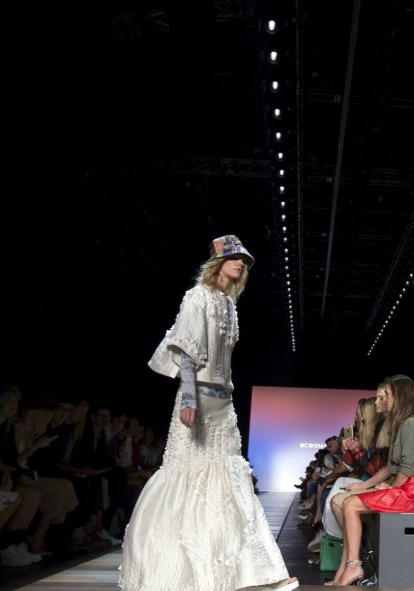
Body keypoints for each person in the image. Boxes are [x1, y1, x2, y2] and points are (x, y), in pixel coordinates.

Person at [119, 235, 297, 591]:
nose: (242, 264)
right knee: (190, 479)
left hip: (224, 405)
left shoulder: (230, 305)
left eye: (245, 260)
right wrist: (187, 397)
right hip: (198, 399)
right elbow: (186, 349)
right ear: (219, 261)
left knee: (228, 485)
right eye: (236, 258)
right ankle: (179, 573)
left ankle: (247, 573)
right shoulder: (197, 297)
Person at [328, 375, 414, 586]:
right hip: (404, 488)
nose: (383, 399)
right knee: (348, 503)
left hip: (412, 492)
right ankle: (352, 564)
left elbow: (406, 467)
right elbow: (390, 467)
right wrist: (378, 486)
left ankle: (353, 565)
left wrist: (392, 488)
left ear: (400, 396)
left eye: (387, 395)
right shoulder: (402, 424)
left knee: (350, 504)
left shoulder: (410, 424)